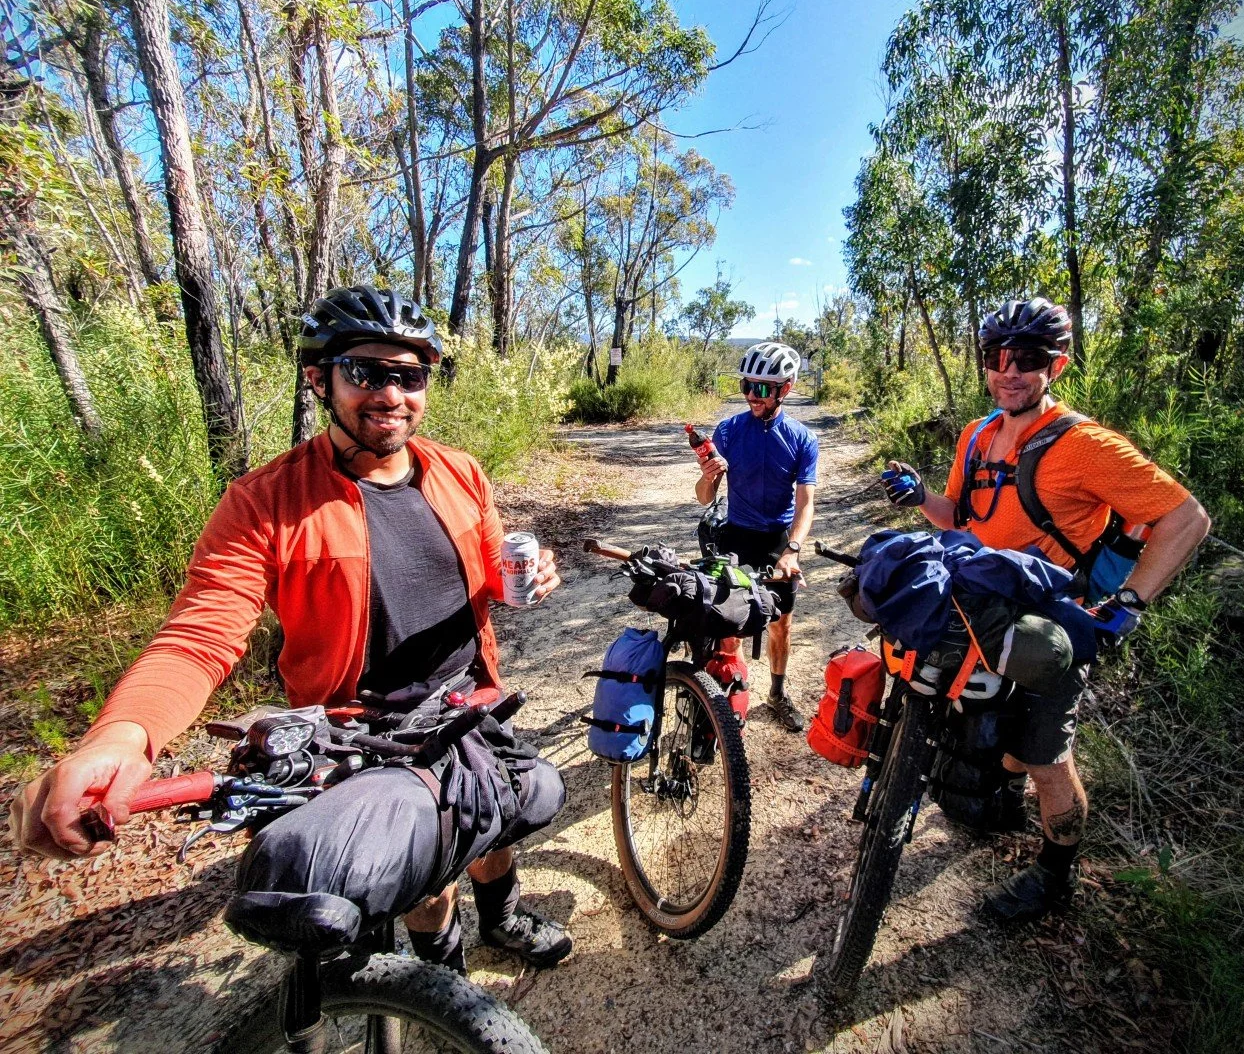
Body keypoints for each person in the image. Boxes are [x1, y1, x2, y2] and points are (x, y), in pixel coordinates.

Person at [9, 284, 573, 971]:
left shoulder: (459, 472)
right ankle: (441, 977)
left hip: (468, 697)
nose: (391, 395)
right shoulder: (265, 502)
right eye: (366, 372)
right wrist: (122, 737)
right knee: (430, 871)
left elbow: (487, 572)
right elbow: (201, 632)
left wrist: (527, 576)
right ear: (320, 379)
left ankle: (505, 918)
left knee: (494, 816)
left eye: (410, 375)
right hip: (363, 723)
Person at [881, 297, 1210, 921]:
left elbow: (1187, 517)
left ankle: (1056, 875)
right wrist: (921, 495)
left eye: (1026, 358)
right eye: (995, 357)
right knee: (973, 720)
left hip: (1048, 621)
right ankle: (990, 799)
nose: (1009, 370)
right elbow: (960, 519)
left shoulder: (1083, 445)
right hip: (976, 608)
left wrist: (1129, 604)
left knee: (1046, 758)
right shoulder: (976, 435)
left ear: (1053, 367)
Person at [694, 341, 819, 732]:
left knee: (781, 623)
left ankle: (777, 694)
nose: (752, 395)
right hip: (736, 533)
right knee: (729, 623)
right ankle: (727, 691)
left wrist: (793, 550)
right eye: (748, 384)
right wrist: (709, 475)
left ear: (787, 388)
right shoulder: (729, 430)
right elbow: (703, 498)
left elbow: (806, 504)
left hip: (778, 537)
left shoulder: (802, 439)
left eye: (763, 388)